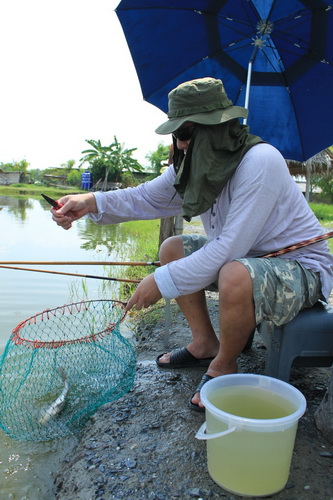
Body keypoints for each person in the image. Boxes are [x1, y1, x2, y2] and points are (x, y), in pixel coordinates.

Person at [51, 77, 333, 411]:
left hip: (300, 268)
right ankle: (204, 344)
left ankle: (224, 364)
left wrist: (159, 281)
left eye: (185, 134)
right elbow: (144, 198)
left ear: (214, 128)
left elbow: (229, 249)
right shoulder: (194, 166)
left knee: (233, 273)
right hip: (246, 262)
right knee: (173, 248)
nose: (180, 145)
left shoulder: (261, 162)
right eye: (177, 135)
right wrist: (89, 202)